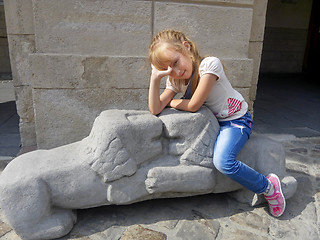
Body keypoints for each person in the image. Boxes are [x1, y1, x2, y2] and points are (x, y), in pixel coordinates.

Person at [148, 29, 286, 217]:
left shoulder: (209, 66)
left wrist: (171, 102)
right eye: (168, 69)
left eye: (175, 62)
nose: (176, 71)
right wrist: (155, 79)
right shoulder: (177, 80)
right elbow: (155, 109)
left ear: (186, 48)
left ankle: (268, 186)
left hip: (235, 121)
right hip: (214, 123)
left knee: (223, 162)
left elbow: (195, 104)